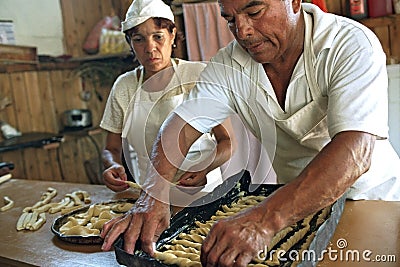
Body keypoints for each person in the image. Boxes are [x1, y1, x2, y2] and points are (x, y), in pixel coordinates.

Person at [101, 0, 400, 266]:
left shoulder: (348, 44)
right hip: (294, 208)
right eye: (230, 19)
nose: (242, 31)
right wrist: (153, 192)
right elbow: (180, 126)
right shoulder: (230, 65)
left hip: (367, 202)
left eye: (254, 11)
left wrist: (263, 220)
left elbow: (354, 150)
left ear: (294, 2)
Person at [100, 0, 234, 195]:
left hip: (203, 192)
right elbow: (111, 148)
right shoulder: (124, 86)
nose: (150, 48)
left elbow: (227, 142)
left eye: (158, 36)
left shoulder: (197, 76)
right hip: (150, 194)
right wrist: (112, 165)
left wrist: (204, 168)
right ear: (130, 43)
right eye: (138, 39)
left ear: (172, 36)